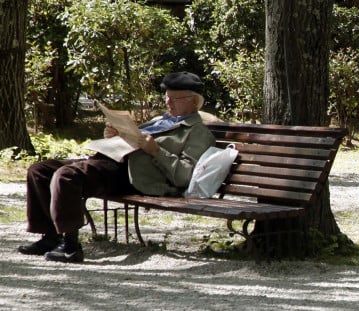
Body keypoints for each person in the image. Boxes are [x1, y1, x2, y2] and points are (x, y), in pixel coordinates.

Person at [17, 71, 216, 263]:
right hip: (111, 161)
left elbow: (183, 175)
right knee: (40, 170)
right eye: (166, 97)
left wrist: (156, 151)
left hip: (134, 177)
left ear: (194, 101)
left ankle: (70, 247)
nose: (168, 102)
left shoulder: (198, 133)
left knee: (67, 175)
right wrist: (116, 135)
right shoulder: (159, 120)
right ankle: (51, 237)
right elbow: (134, 138)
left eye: (176, 98)